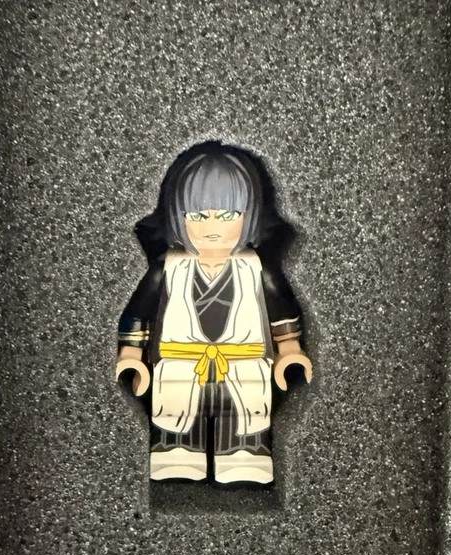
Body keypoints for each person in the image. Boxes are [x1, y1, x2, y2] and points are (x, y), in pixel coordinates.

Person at [116, 140, 312, 484]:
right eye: (197, 215)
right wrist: (132, 355)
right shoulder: (167, 269)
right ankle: (178, 447)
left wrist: (290, 351)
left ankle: (243, 451)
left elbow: (281, 312)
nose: (212, 227)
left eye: (227, 215)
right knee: (175, 416)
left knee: (246, 417)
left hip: (244, 365)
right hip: (180, 365)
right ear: (178, 217)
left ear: (249, 216)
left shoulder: (257, 270)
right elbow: (140, 311)